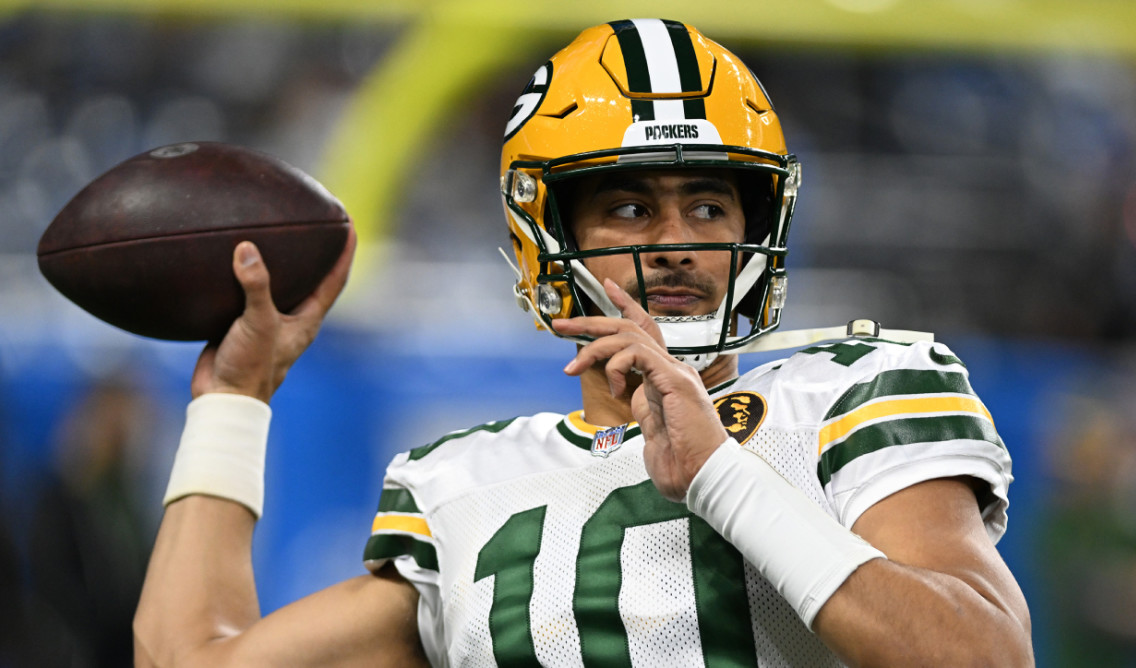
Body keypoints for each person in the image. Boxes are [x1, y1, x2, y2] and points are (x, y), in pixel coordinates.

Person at [134, 19, 1033, 667]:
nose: (677, 241)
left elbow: (983, 655)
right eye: (631, 207)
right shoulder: (465, 488)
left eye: (709, 205)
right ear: (546, 239)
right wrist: (234, 401)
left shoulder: (852, 392)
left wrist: (720, 474)